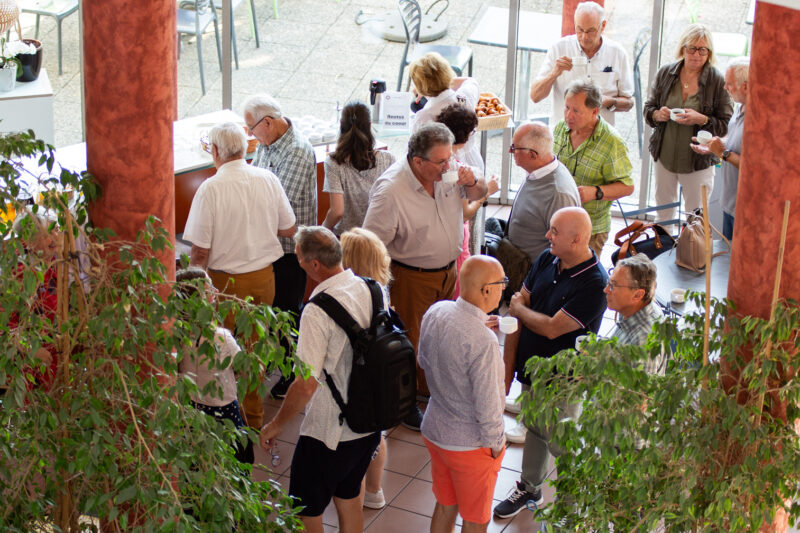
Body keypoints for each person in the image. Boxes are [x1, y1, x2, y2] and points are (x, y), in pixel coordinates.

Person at [363, 123, 488, 430]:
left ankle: (432, 389)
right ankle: (406, 404)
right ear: (418, 161)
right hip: (411, 277)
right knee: (412, 340)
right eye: (442, 161)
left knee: (441, 335)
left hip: (449, 271)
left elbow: (480, 192)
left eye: (450, 159)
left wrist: (473, 181)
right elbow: (371, 245)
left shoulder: (448, 171)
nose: (449, 166)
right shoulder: (391, 190)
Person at [259, 226, 381, 533]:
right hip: (368, 422)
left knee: (306, 511)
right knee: (349, 500)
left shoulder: (317, 311)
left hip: (329, 433)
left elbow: (305, 384)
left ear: (314, 265)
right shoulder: (371, 288)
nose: (297, 261)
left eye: (299, 257)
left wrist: (276, 424)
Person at [494, 207, 608, 519]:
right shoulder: (548, 258)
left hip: (563, 379)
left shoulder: (594, 283)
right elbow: (522, 301)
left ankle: (572, 509)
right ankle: (529, 488)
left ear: (577, 239)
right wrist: (510, 366)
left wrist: (520, 310)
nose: (548, 236)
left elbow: (551, 327)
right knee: (534, 426)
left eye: (555, 231)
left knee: (563, 444)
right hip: (533, 366)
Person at [183, 121, 297, 429]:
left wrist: (193, 291)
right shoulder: (267, 178)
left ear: (215, 151)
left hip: (224, 285)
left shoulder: (211, 188)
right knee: (253, 352)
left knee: (221, 357)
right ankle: (253, 418)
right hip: (264, 278)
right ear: (246, 147)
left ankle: (225, 422)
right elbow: (288, 227)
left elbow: (200, 252)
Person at [419, 255, 507, 533]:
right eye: (502, 283)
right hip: (470, 446)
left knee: (445, 504)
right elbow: (488, 406)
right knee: (475, 519)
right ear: (486, 290)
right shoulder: (484, 341)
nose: (505, 288)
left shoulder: (437, 311)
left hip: (435, 429)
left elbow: (423, 359)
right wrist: (497, 446)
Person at [243, 94, 317, 400]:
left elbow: (278, 205)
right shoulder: (268, 142)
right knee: (274, 311)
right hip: (269, 244)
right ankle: (279, 361)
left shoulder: (297, 151)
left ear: (269, 122)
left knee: (287, 313)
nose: (250, 135)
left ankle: (292, 374)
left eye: (252, 128)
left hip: (289, 249)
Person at [643, 23, 733, 224]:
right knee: (663, 213)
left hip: (698, 161)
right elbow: (648, 108)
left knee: (695, 219)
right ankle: (663, 244)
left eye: (702, 50)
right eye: (692, 48)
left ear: (709, 53)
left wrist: (702, 119)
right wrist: (658, 114)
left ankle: (688, 246)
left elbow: (727, 123)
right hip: (665, 156)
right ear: (683, 48)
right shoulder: (666, 73)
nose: (696, 54)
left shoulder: (717, 81)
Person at [176, 267, 254, 464]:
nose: (217, 292)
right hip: (224, 411)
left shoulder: (177, 334)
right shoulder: (221, 337)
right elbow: (244, 368)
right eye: (210, 289)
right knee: (234, 459)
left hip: (192, 410)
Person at [340, 227, 392, 510]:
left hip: (356, 375)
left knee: (355, 438)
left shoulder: (349, 294)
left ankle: (355, 494)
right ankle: (375, 489)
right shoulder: (380, 290)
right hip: (379, 372)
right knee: (377, 434)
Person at [553, 80, 634, 257]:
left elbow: (627, 187)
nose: (568, 115)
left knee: (580, 274)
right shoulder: (560, 128)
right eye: (566, 108)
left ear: (595, 111)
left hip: (590, 229)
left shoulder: (612, 142)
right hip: (557, 221)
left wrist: (595, 192)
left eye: (576, 111)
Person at [530, 1, 633, 129]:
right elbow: (535, 96)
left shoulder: (617, 53)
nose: (584, 37)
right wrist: (554, 73)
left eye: (590, 31)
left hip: (600, 135)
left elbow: (629, 103)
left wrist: (609, 101)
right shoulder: (559, 48)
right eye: (580, 30)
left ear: (603, 26)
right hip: (564, 133)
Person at [434, 103, 499, 297]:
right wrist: (487, 193)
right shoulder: (455, 168)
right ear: (467, 136)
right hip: (455, 241)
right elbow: (465, 214)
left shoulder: (436, 158)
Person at [690, 56, 748, 240]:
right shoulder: (740, 107)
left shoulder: (757, 120)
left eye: (729, 84)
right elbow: (734, 140)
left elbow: (753, 167)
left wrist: (722, 152)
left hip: (743, 208)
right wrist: (713, 146)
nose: (725, 88)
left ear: (745, 87)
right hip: (730, 202)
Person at [507, 121, 580, 263]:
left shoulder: (558, 194)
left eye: (514, 148)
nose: (511, 151)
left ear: (532, 155)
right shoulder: (537, 171)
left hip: (531, 270)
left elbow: (563, 250)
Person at [321, 102, 396, 235]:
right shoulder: (388, 159)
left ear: (341, 124)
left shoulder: (333, 163)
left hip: (346, 237)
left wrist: (323, 229)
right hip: (376, 236)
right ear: (370, 125)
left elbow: (337, 211)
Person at [410, 52, 483, 171]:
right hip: (474, 163)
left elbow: (413, 151)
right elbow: (471, 81)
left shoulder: (424, 116)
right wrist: (441, 81)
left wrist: (426, 87)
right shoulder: (465, 96)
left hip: (448, 171)